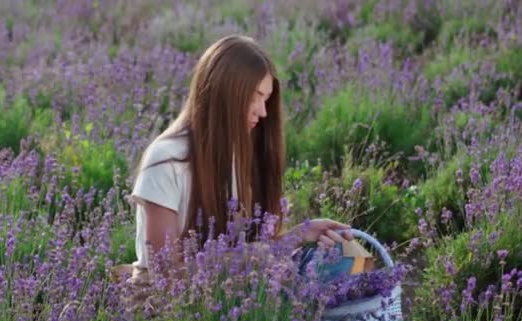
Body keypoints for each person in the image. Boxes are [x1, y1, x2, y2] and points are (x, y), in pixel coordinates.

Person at [111, 34, 354, 284]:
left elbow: (249, 252)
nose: (262, 111)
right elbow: (165, 275)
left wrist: (300, 235)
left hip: (230, 296)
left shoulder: (242, 154)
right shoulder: (166, 160)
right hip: (166, 306)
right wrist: (262, 255)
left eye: (266, 98)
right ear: (225, 94)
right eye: (254, 96)